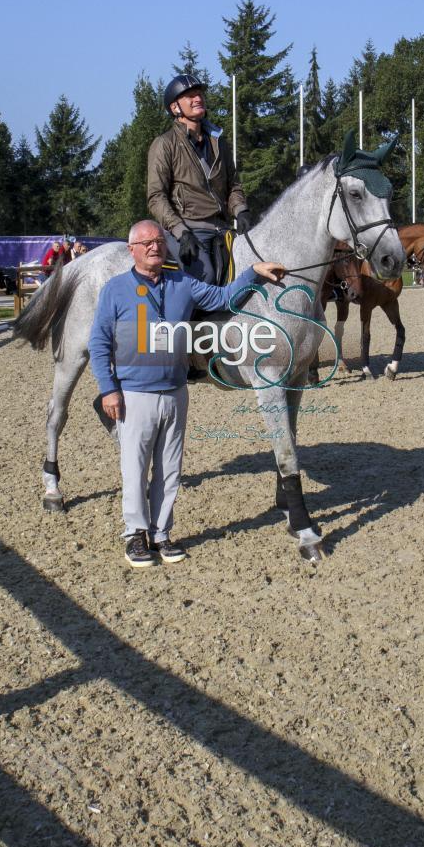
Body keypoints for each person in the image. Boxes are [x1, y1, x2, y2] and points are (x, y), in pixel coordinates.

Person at [88, 219, 285, 567]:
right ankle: (135, 535)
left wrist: (253, 271)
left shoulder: (183, 283)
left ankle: (161, 534)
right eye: (146, 242)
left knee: (169, 469)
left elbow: (225, 297)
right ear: (132, 249)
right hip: (134, 393)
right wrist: (108, 390)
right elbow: (99, 343)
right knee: (134, 467)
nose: (154, 246)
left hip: (176, 391)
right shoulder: (115, 289)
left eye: (159, 241)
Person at [147, 73, 251, 284]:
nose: (198, 98)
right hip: (189, 230)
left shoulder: (219, 143)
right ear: (175, 108)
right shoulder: (164, 144)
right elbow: (156, 197)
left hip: (222, 230)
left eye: (199, 94)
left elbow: (233, 185)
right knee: (207, 278)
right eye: (190, 96)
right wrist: (180, 231)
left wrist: (241, 211)